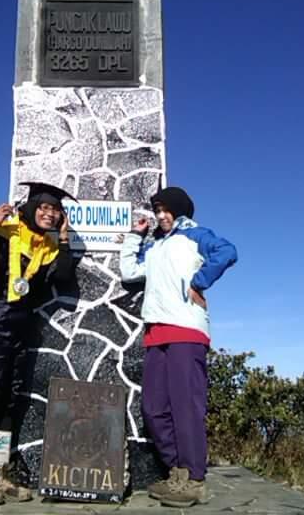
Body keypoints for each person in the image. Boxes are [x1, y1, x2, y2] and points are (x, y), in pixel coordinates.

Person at [119, 186, 237, 508]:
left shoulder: (196, 235)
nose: (160, 215)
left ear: (179, 210)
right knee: (153, 409)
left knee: (187, 407)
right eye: (156, 210)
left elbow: (227, 251)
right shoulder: (155, 246)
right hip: (156, 334)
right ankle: (177, 472)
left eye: (165, 209)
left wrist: (199, 282)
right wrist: (134, 238)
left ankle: (194, 479)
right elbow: (129, 272)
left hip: (187, 331)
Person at [0, 182, 76, 505]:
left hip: (18, 332)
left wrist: (64, 239)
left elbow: (64, 278)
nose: (50, 214)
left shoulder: (45, 246)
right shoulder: (4, 232)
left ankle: (2, 473)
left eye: (55, 211)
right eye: (44, 208)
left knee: (9, 404)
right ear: (32, 206)